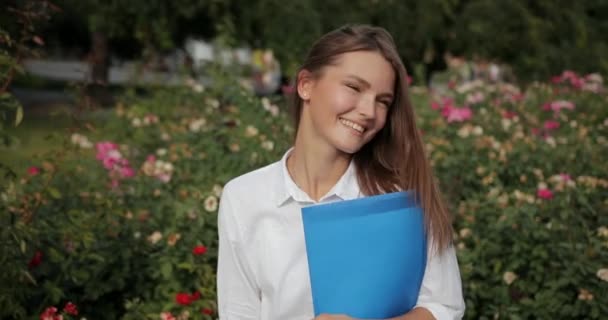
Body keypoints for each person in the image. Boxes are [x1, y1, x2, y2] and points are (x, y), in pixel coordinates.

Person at [217, 24, 465, 320]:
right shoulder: (243, 197)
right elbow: (238, 313)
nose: (369, 111)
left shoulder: (401, 196)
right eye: (354, 87)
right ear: (306, 84)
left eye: (383, 101)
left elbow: (444, 306)